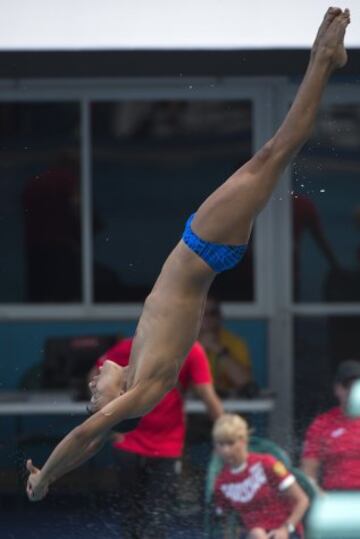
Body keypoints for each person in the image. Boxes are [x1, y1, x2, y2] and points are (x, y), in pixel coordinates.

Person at [26, 8, 351, 501]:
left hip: (205, 250)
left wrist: (60, 466)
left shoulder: (135, 371)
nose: (96, 382)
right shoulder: (140, 393)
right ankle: (324, 59)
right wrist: (46, 476)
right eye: (97, 394)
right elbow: (87, 436)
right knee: (274, 152)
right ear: (115, 401)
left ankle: (324, 60)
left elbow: (90, 441)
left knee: (273, 155)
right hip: (204, 246)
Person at [91, 336, 223, 539]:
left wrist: (229, 429)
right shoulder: (132, 345)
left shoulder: (192, 349)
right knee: (130, 514)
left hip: (167, 443)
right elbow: (96, 377)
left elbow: (206, 392)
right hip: (129, 440)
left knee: (158, 514)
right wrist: (109, 426)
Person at [212, 414, 309, 539]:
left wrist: (286, 528)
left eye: (230, 443)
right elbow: (225, 523)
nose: (226, 450)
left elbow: (302, 500)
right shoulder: (221, 482)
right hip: (253, 535)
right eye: (221, 444)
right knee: (257, 533)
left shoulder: (267, 463)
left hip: (286, 531)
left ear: (243, 441)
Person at [301, 359, 360, 492]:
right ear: (337, 389)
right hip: (335, 499)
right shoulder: (322, 423)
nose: (352, 391)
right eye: (347, 386)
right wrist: (320, 497)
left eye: (357, 386)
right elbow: (308, 472)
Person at [199, 294, 253, 396]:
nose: (207, 317)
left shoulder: (235, 343)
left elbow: (245, 382)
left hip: (227, 406)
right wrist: (198, 351)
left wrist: (219, 350)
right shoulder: (182, 342)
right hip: (188, 407)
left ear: (220, 316)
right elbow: (174, 383)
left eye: (212, 313)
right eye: (202, 313)